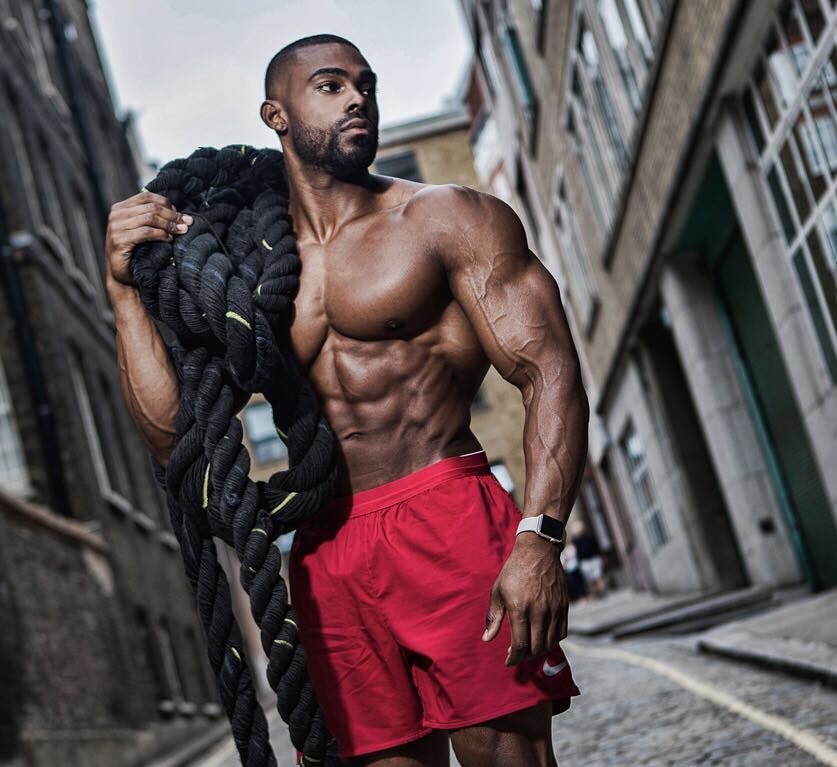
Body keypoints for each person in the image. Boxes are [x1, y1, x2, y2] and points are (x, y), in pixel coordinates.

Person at [105, 34, 589, 767]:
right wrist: (123, 292)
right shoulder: (246, 275)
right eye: (330, 86)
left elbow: (546, 369)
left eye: (365, 84)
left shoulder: (446, 219)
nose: (357, 97)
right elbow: (177, 440)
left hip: (447, 515)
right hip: (326, 548)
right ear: (276, 114)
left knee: (506, 754)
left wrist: (540, 535)